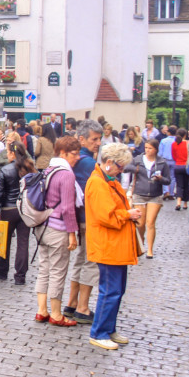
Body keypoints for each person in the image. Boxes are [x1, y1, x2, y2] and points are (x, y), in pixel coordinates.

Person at [85, 143, 143, 350]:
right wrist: (128, 214)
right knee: (110, 291)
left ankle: (108, 329)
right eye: (120, 166)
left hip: (114, 245)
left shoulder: (107, 181)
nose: (121, 171)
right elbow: (105, 216)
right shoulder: (99, 183)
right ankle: (99, 332)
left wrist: (128, 213)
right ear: (109, 162)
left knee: (116, 290)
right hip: (108, 245)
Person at [34, 136, 82, 327]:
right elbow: (69, 208)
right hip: (58, 228)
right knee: (58, 271)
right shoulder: (67, 174)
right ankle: (55, 313)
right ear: (63, 153)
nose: (77, 157)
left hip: (42, 227)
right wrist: (73, 233)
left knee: (44, 269)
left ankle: (41, 310)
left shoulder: (49, 169)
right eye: (74, 153)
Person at [63, 119, 103, 325]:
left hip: (76, 218)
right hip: (89, 217)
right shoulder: (89, 163)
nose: (98, 143)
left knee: (80, 259)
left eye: (99, 139)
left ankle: (71, 303)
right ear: (81, 139)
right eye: (94, 139)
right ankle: (82, 307)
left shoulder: (73, 160)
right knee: (90, 261)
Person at [0, 141, 35, 284]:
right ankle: (20, 276)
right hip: (25, 210)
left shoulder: (6, 170)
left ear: (12, 153)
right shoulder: (31, 168)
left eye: (8, 152)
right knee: (23, 243)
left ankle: (2, 270)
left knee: (4, 241)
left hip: (8, 210)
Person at [124, 139, 170, 258]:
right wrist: (136, 169)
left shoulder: (162, 162)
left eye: (150, 148)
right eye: (146, 148)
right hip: (139, 193)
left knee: (150, 222)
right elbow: (126, 168)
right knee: (140, 223)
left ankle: (150, 250)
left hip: (155, 195)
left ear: (155, 150)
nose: (147, 150)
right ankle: (140, 244)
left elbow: (168, 180)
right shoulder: (138, 160)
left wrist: (160, 179)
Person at [170, 128, 189, 211]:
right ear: (185, 135)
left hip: (177, 166)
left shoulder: (174, 144)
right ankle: (185, 203)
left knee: (179, 185)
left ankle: (178, 202)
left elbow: (173, 156)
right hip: (187, 166)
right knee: (186, 184)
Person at [158, 126, 177, 199]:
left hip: (165, 160)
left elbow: (160, 153)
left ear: (168, 132)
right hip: (174, 160)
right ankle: (171, 193)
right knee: (173, 177)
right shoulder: (177, 140)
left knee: (164, 176)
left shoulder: (163, 140)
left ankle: (166, 191)